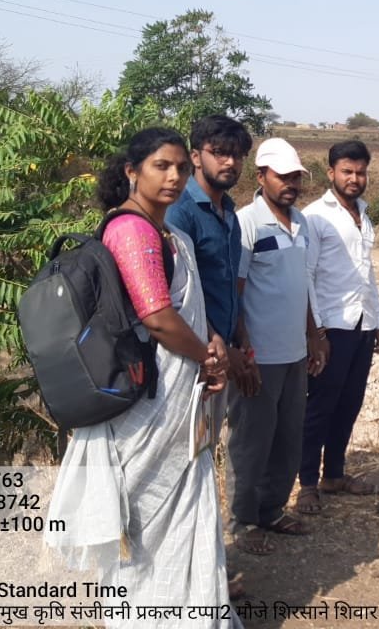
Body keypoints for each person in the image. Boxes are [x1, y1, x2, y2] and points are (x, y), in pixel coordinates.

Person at [45, 127, 239, 627]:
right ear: (133, 172)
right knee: (151, 514)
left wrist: (210, 343)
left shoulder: (164, 229)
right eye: (161, 166)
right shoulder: (131, 230)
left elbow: (182, 309)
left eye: (179, 166)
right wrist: (207, 358)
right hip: (153, 401)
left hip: (178, 390)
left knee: (183, 504)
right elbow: (156, 315)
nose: (174, 176)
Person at [231, 137, 329, 554]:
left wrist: (314, 335)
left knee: (287, 438)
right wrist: (244, 353)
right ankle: (242, 521)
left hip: (294, 353)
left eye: (295, 177)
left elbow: (302, 286)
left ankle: (271, 510)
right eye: (282, 176)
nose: (291, 184)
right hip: (260, 357)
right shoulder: (245, 224)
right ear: (260, 177)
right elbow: (234, 293)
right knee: (251, 441)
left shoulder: (301, 224)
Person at [296, 140, 379, 514]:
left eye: (360, 171)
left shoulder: (363, 215)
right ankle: (306, 484)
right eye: (347, 171)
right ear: (331, 172)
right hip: (331, 328)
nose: (354, 178)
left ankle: (334, 473)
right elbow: (307, 276)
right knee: (319, 407)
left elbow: (368, 274)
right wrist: (316, 334)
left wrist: (378, 321)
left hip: (361, 325)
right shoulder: (315, 216)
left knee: (349, 405)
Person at [165, 115, 259, 397]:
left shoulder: (228, 211)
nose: (230, 163)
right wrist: (218, 347)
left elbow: (228, 285)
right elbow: (176, 298)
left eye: (238, 155)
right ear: (195, 157)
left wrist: (240, 336)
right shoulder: (179, 212)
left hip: (220, 355)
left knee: (206, 440)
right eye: (219, 153)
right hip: (189, 357)